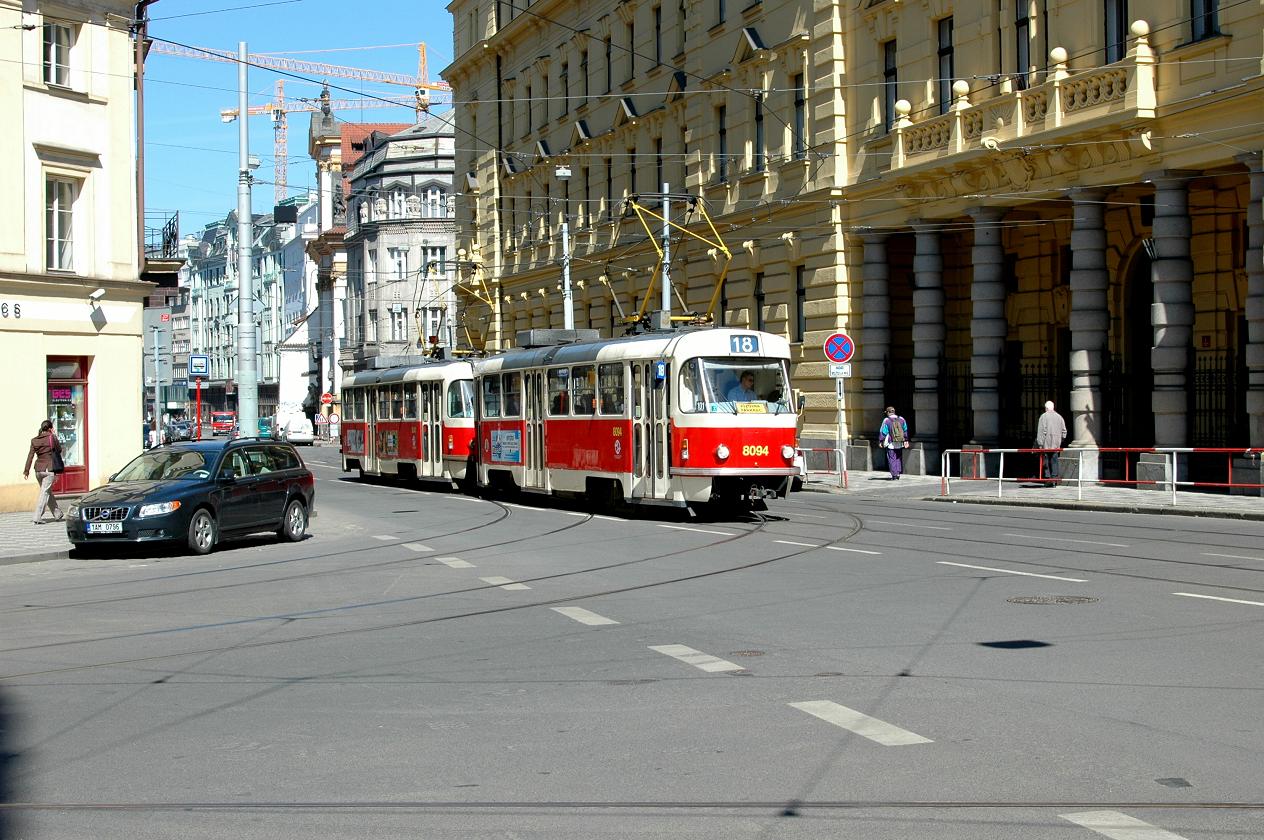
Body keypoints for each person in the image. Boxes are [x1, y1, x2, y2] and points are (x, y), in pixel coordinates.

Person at [23, 420, 64, 524]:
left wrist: (26, 470)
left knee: (47, 491)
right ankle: (37, 517)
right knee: (44, 492)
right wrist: (54, 435)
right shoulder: (52, 437)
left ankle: (57, 513)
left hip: (38, 470)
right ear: (50, 428)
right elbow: (59, 450)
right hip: (48, 470)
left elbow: (30, 456)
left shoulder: (34, 440)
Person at [1035, 400, 1067, 485]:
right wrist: (1061, 440)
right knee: (1054, 460)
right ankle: (1054, 478)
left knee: (1046, 461)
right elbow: (1064, 431)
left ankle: (1048, 479)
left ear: (1046, 408)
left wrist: (1040, 444)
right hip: (1056, 444)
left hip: (1046, 444)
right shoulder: (1059, 417)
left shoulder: (1043, 416)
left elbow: (1042, 431)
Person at [878, 406, 909, 480]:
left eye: (887, 412)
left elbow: (883, 432)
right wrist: (906, 440)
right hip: (899, 442)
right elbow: (905, 430)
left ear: (888, 412)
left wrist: (881, 441)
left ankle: (894, 475)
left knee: (892, 458)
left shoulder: (886, 420)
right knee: (898, 458)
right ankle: (898, 473)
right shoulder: (901, 419)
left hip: (891, 443)